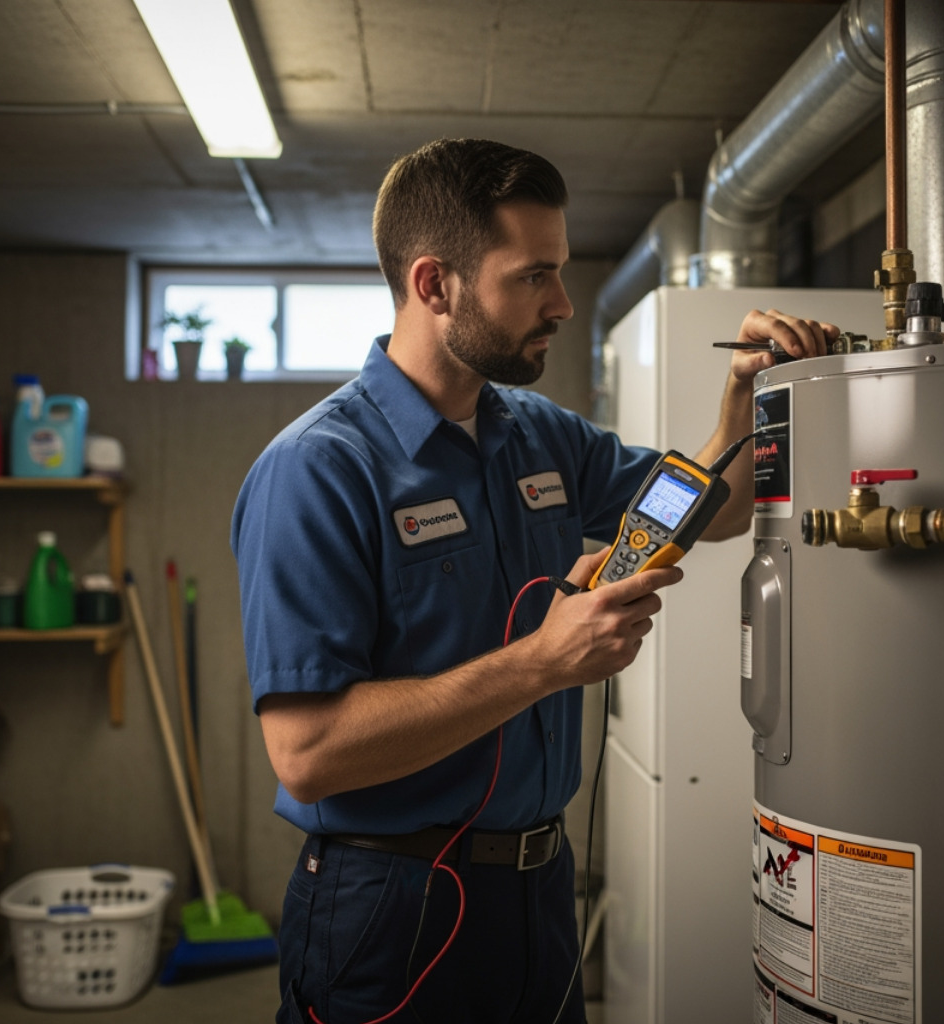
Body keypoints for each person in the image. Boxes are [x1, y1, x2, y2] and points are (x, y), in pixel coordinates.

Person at [231, 137, 833, 1024]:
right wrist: (545, 662)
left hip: (538, 891)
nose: (562, 302)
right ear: (435, 285)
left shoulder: (538, 433)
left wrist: (742, 401)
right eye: (533, 276)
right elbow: (308, 754)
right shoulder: (319, 470)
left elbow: (716, 511)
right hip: (390, 905)